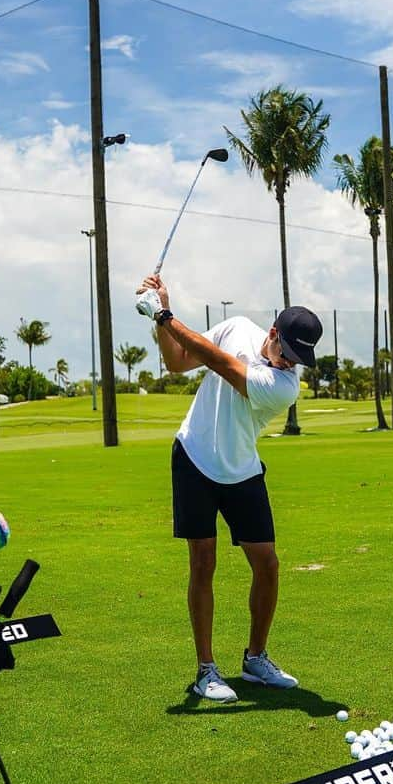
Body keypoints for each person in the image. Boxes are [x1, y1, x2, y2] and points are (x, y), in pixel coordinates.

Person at [137, 274, 323, 703]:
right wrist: (159, 322)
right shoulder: (238, 326)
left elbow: (221, 364)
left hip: (241, 470)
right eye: (287, 353)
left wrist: (165, 314)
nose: (289, 363)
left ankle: (256, 659)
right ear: (272, 333)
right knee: (203, 563)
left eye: (298, 358)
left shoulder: (283, 387)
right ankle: (206, 670)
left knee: (268, 564)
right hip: (194, 458)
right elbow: (179, 362)